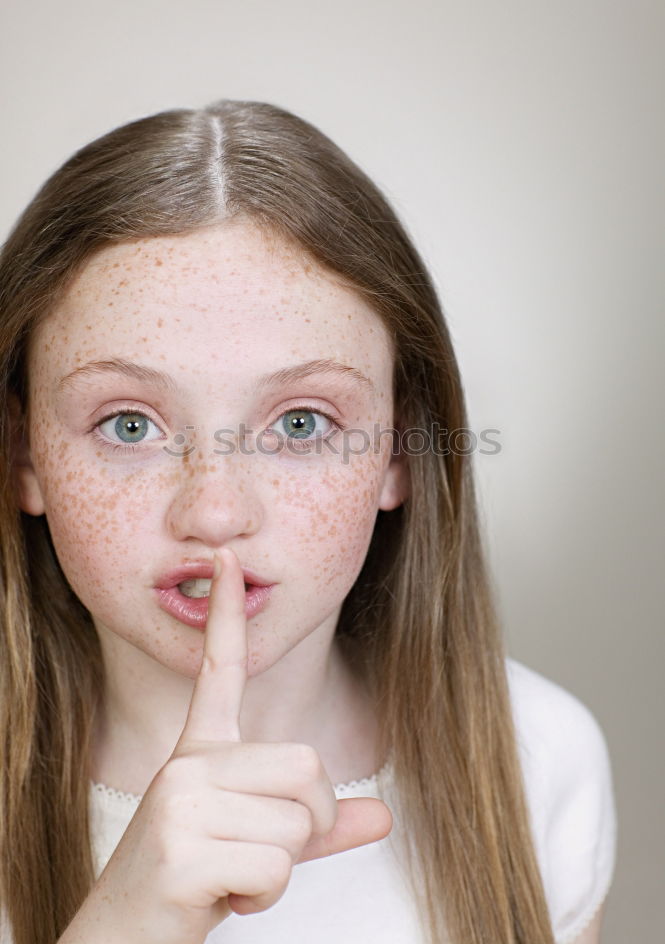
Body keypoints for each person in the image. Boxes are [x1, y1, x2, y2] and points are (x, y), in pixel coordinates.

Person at [0, 99, 616, 944]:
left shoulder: (540, 758)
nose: (215, 512)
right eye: (129, 425)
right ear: (24, 456)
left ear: (399, 453)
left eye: (299, 423)